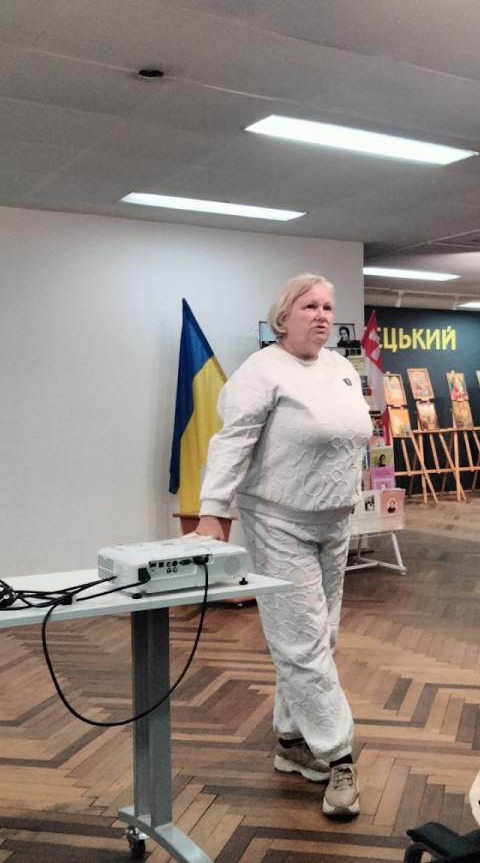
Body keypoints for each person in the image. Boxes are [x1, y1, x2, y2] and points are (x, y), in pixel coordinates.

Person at [193, 273, 372, 819]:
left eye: (328, 307)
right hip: (278, 521)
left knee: (320, 636)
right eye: (309, 306)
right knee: (301, 640)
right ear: (283, 315)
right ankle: (338, 756)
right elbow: (232, 442)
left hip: (334, 520)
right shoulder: (262, 371)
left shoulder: (341, 369)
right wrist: (212, 513)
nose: (322, 315)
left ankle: (292, 743)